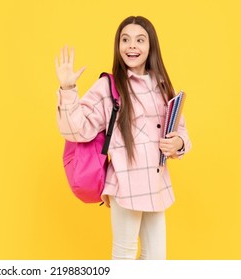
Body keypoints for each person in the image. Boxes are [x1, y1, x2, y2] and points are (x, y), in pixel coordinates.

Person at [55, 16, 192, 260]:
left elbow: (180, 130)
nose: (132, 46)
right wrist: (67, 90)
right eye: (125, 40)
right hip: (124, 185)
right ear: (118, 46)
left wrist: (178, 143)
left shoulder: (162, 85)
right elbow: (76, 130)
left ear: (150, 47)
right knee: (125, 256)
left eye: (140, 40)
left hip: (156, 185)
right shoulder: (108, 86)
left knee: (156, 258)